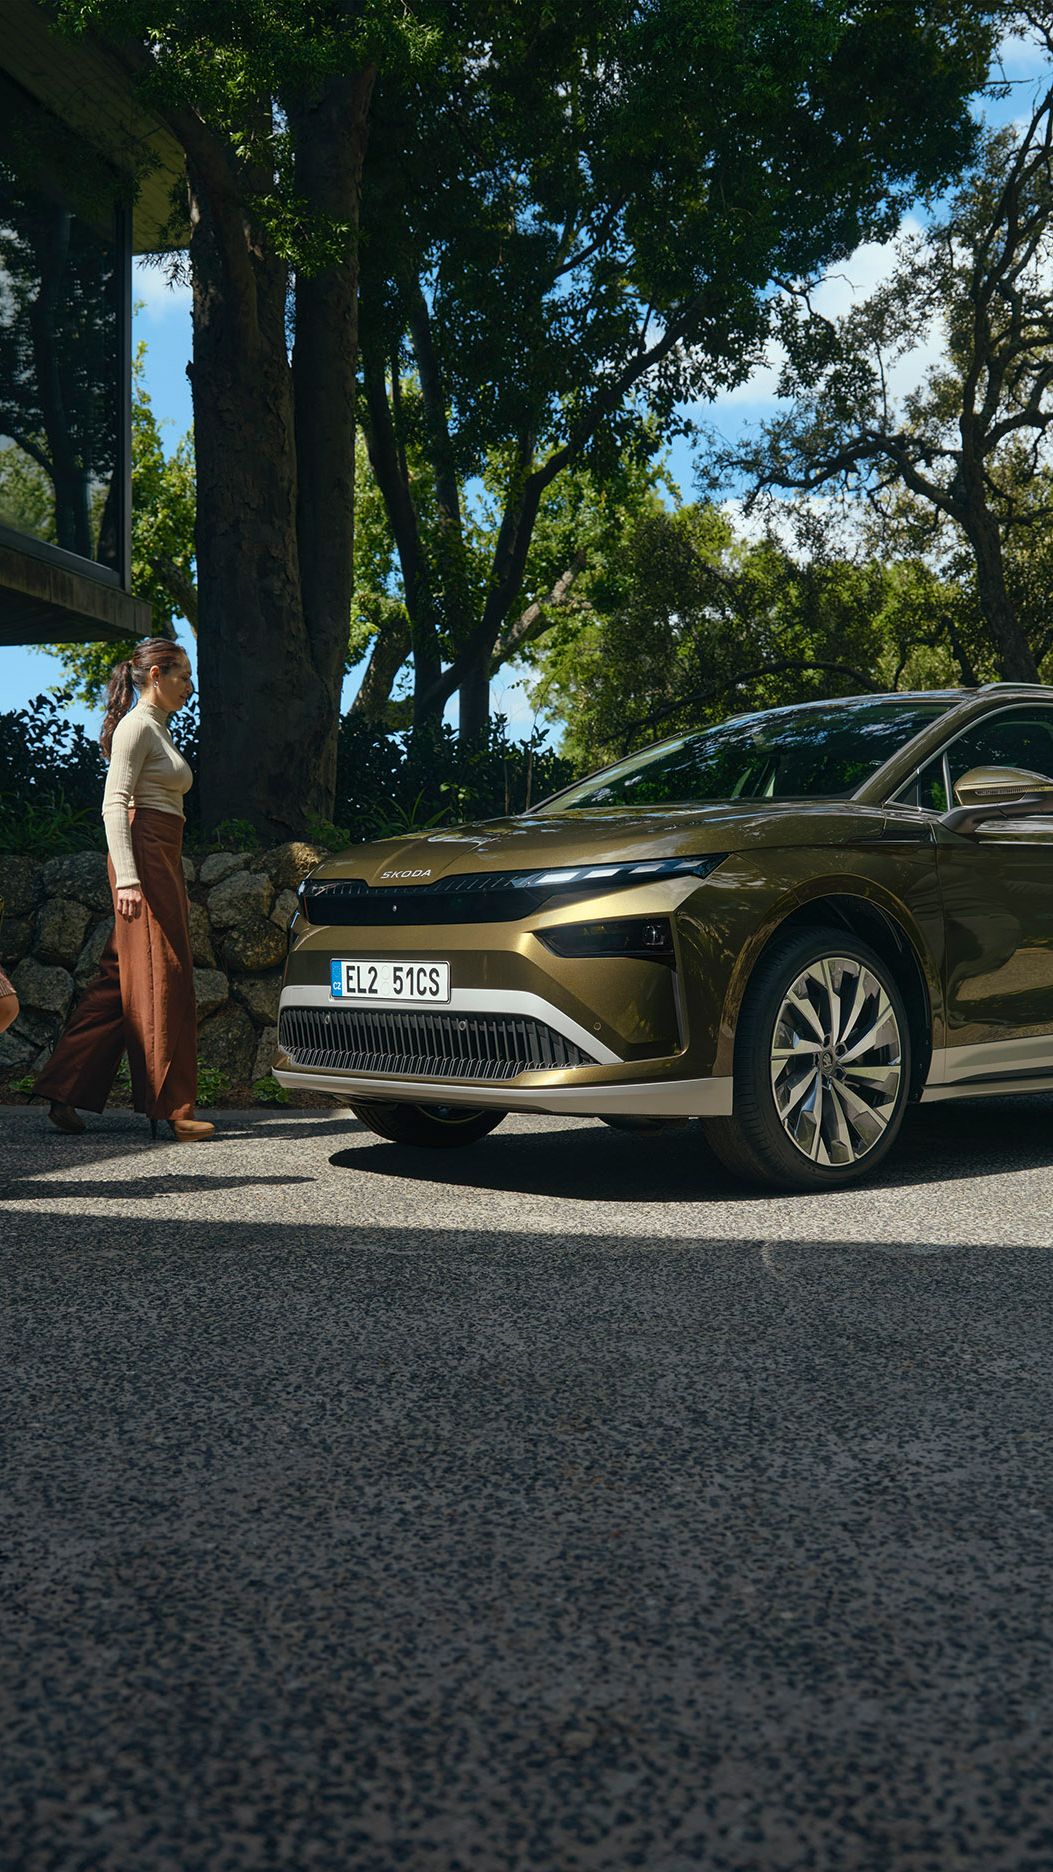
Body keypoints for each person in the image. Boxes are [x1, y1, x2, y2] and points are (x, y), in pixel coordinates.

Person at [33, 639, 214, 1142]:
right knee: (164, 972)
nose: (190, 686)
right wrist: (130, 878)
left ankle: (65, 1086)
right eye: (183, 676)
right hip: (145, 854)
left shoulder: (158, 726)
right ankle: (173, 1107)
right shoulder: (136, 726)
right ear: (156, 675)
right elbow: (115, 803)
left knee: (125, 978)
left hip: (161, 852)